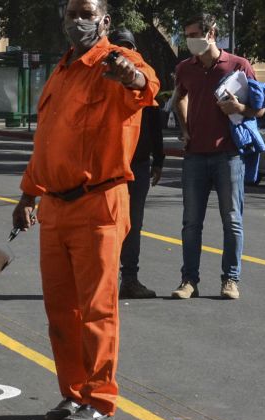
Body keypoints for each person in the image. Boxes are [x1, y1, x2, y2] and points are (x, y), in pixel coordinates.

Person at [13, 0, 159, 420]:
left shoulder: (116, 62)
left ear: (105, 21)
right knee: (61, 310)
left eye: (86, 12)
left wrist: (130, 75)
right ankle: (74, 393)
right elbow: (47, 141)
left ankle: (100, 398)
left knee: (96, 308)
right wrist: (27, 196)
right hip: (55, 205)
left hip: (99, 201)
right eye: (71, 13)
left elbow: (146, 84)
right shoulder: (60, 72)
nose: (78, 20)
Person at [171, 13, 262, 301]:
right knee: (191, 223)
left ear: (212, 33)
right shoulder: (185, 68)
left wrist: (239, 107)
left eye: (194, 34)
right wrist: (185, 129)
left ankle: (230, 280)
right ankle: (189, 281)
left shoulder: (238, 65)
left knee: (232, 220)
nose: (190, 41)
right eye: (186, 35)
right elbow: (179, 97)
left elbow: (259, 110)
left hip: (229, 155)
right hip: (195, 155)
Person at [109, 29, 165, 299]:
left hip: (137, 163)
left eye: (128, 48)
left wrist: (159, 159)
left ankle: (128, 278)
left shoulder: (142, 76)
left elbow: (154, 122)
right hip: (109, 165)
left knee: (131, 223)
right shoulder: (102, 78)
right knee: (110, 224)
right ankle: (109, 279)